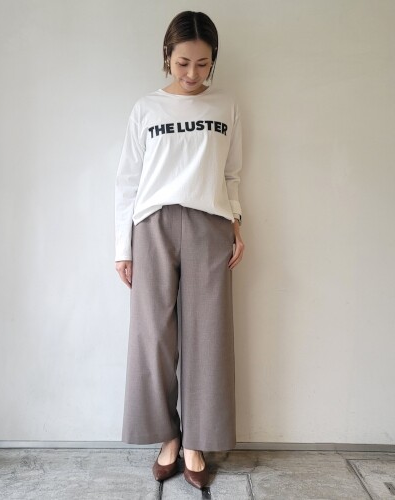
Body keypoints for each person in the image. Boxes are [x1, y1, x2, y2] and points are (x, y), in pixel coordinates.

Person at [114, 10, 245, 490]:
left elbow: (231, 173)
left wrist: (237, 223)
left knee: (208, 337)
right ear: (167, 56)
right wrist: (122, 247)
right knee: (152, 336)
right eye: (183, 62)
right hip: (152, 225)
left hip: (210, 224)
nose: (192, 73)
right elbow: (127, 182)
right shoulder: (146, 108)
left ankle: (197, 442)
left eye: (203, 64)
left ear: (214, 61)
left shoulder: (227, 105)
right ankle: (166, 435)